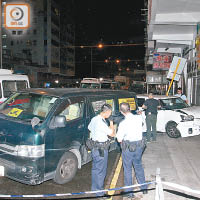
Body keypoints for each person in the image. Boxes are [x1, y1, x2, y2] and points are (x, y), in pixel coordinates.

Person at [116, 102, 147, 200]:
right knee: (138, 166)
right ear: (129, 109)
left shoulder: (123, 123)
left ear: (121, 112)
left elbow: (119, 139)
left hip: (128, 149)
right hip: (139, 147)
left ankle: (129, 193)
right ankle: (144, 188)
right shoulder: (139, 118)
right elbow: (143, 126)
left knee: (128, 169)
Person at [88, 104, 115, 199]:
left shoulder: (94, 119)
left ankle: (94, 189)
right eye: (110, 113)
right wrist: (111, 122)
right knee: (101, 171)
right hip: (101, 150)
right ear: (107, 112)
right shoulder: (101, 122)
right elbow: (112, 134)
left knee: (95, 169)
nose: (110, 115)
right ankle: (99, 193)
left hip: (94, 148)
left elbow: (90, 128)